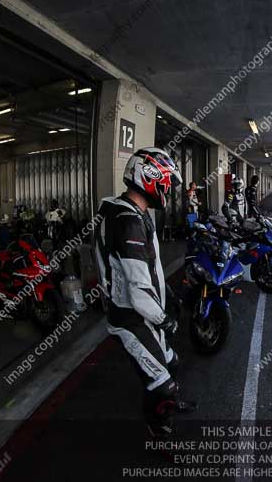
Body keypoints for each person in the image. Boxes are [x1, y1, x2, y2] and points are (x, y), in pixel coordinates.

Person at [94, 147, 196, 439]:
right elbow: (138, 291)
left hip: (142, 311)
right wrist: (165, 319)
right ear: (149, 177)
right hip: (131, 317)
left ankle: (166, 400)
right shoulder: (128, 221)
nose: (167, 188)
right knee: (162, 382)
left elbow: (148, 271)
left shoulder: (127, 210)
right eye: (165, 181)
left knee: (172, 362)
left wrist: (168, 296)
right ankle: (158, 427)